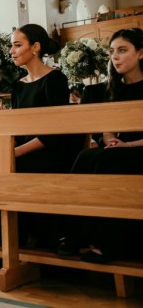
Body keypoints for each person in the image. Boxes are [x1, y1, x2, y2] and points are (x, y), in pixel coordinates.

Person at [0, 24, 85, 267]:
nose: (12, 51)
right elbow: (15, 127)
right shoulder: (18, 84)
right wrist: (3, 148)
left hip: (49, 151)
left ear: (35, 48)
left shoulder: (55, 79)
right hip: (22, 151)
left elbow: (54, 134)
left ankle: (10, 243)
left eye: (18, 45)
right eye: (12, 45)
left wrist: (14, 153)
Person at [68, 28, 143, 263]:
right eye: (112, 52)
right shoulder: (109, 90)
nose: (115, 57)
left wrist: (127, 145)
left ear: (140, 53)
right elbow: (106, 124)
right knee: (86, 157)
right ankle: (77, 234)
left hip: (139, 149)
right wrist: (111, 139)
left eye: (122, 50)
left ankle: (108, 243)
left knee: (105, 161)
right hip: (119, 148)